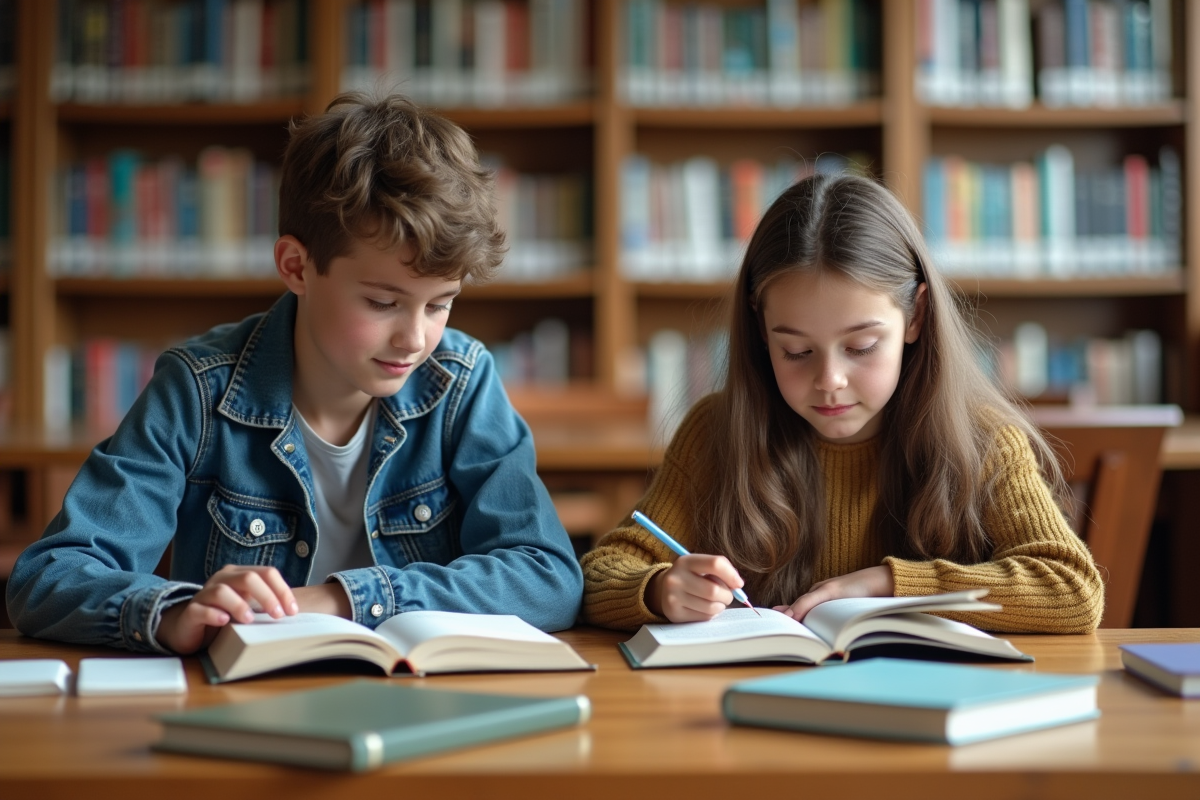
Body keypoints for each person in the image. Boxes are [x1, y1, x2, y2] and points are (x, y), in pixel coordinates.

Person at [6, 93, 583, 654]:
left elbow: (548, 576)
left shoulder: (462, 383)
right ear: (296, 267)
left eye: (439, 304)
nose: (415, 339)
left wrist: (340, 600)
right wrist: (174, 611)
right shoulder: (198, 389)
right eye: (383, 303)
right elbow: (48, 577)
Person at [582, 172, 1104, 634]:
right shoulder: (716, 431)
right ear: (761, 331)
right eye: (797, 351)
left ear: (916, 317)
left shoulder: (982, 439)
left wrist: (889, 585)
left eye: (860, 348)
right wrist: (659, 590)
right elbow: (603, 573)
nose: (829, 380)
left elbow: (1071, 589)